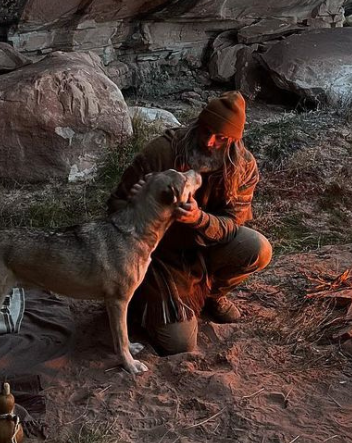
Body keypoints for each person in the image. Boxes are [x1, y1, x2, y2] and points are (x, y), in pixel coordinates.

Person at [108, 91, 272, 354]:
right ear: (197, 123)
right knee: (180, 344)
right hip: (160, 255)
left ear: (233, 140)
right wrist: (139, 203)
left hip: (207, 244)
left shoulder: (243, 167)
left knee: (257, 248)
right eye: (205, 131)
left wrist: (199, 219)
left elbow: (231, 223)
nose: (208, 142)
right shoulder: (163, 152)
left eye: (220, 138)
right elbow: (115, 207)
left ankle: (211, 295)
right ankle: (141, 299)